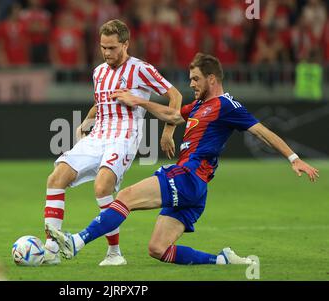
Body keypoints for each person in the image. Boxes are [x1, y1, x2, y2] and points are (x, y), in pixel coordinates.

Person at [46, 53, 319, 266]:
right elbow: (172, 116)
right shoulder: (200, 105)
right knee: (158, 249)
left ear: (212, 79)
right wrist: (144, 106)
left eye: (196, 79)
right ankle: (221, 259)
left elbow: (262, 132)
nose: (191, 84)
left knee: (125, 197)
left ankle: (76, 242)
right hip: (195, 190)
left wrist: (293, 158)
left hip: (187, 176)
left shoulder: (227, 105)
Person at [43, 19, 183, 266]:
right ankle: (51, 249)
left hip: (124, 136)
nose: (107, 53)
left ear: (126, 44)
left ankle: (114, 253)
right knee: (56, 177)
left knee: (102, 186)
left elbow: (175, 95)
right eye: (103, 47)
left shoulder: (141, 69)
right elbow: (102, 102)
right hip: (98, 134)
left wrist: (168, 131)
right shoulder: (98, 72)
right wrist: (85, 122)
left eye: (112, 48)